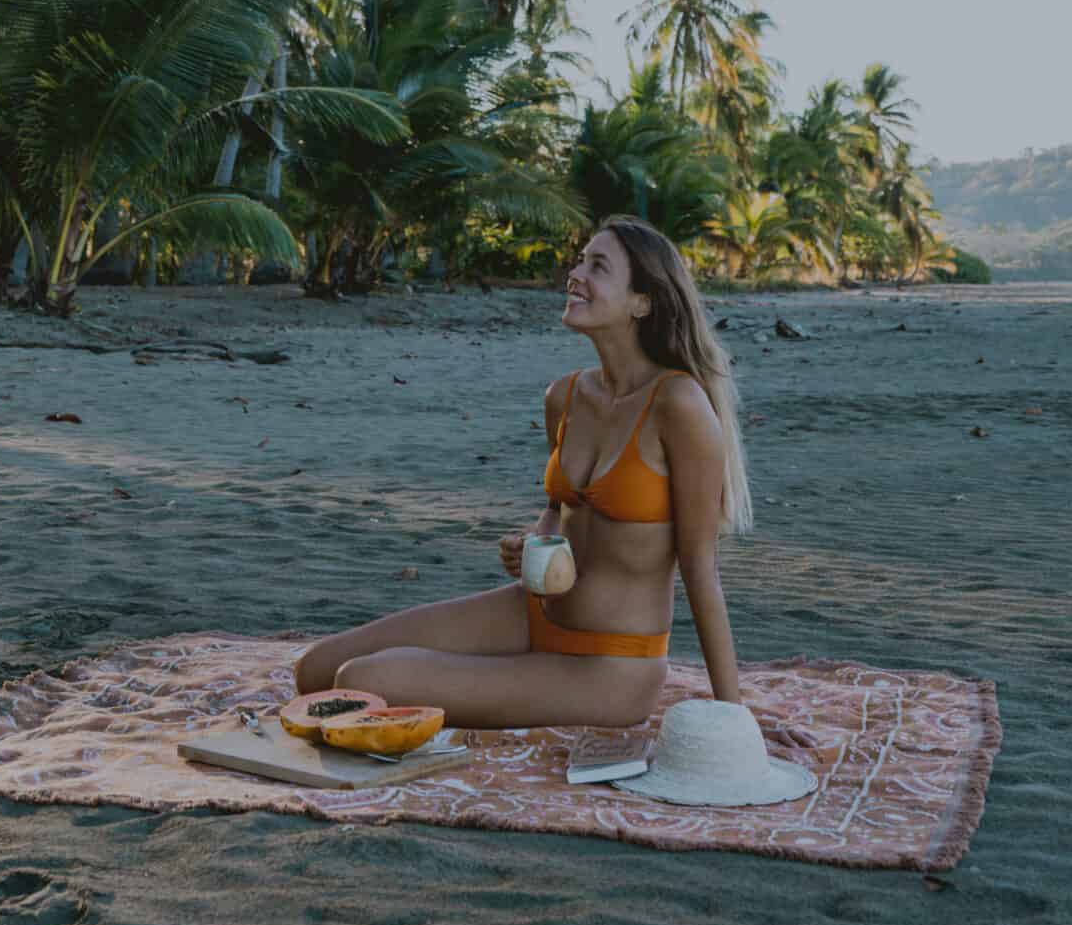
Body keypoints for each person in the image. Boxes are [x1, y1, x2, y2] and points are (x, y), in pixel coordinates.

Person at [294, 216, 754, 729]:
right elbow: (561, 511)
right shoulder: (566, 396)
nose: (575, 274)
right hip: (532, 615)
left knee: (363, 680)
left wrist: (733, 718)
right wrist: (536, 542)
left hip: (610, 665)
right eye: (580, 260)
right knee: (314, 671)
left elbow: (700, 567)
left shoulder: (678, 405)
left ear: (641, 302)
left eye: (597, 266)